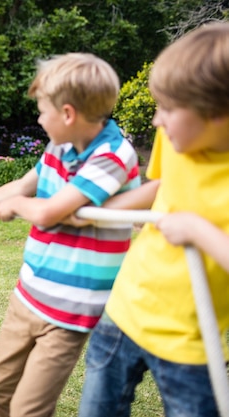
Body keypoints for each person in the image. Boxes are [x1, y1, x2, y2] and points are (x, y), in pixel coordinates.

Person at [0, 53, 140, 417]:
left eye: (41, 111)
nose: (38, 118)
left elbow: (50, 211)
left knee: (28, 409)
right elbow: (24, 184)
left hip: (69, 313)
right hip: (28, 295)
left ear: (67, 114)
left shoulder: (113, 155)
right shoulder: (59, 147)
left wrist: (18, 205)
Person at [78, 23, 229, 417]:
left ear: (218, 115)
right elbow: (160, 185)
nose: (156, 121)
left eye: (168, 109)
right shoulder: (179, 137)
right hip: (124, 310)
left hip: (191, 343)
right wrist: (97, 214)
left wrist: (196, 228)